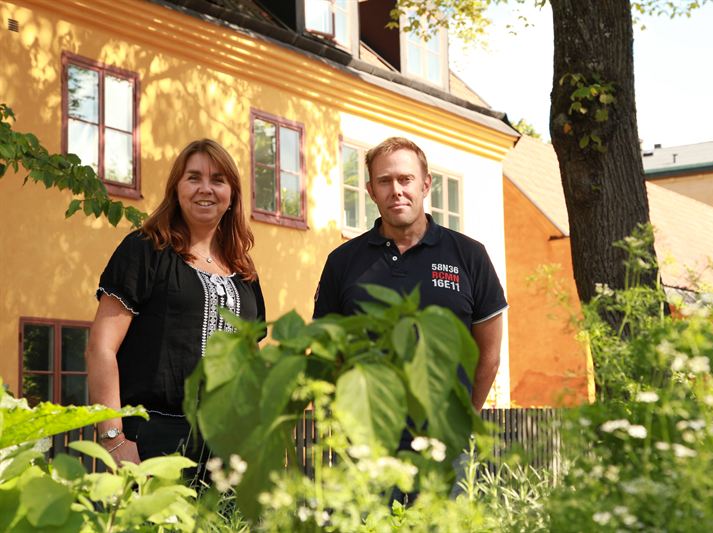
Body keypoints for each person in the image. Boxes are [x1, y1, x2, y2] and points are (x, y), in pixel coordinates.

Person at [313, 136, 507, 481]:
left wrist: (463, 418)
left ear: (426, 184)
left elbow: (488, 355)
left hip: (447, 446)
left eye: (405, 179)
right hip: (367, 447)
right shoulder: (343, 262)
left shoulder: (469, 256)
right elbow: (328, 353)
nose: (396, 190)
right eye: (384, 181)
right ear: (371, 191)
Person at [85, 139, 266, 472]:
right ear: (177, 189)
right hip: (152, 440)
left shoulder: (244, 272)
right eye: (193, 177)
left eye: (218, 180)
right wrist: (113, 439)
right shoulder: (145, 250)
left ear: (232, 195)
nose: (205, 189)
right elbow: (101, 348)